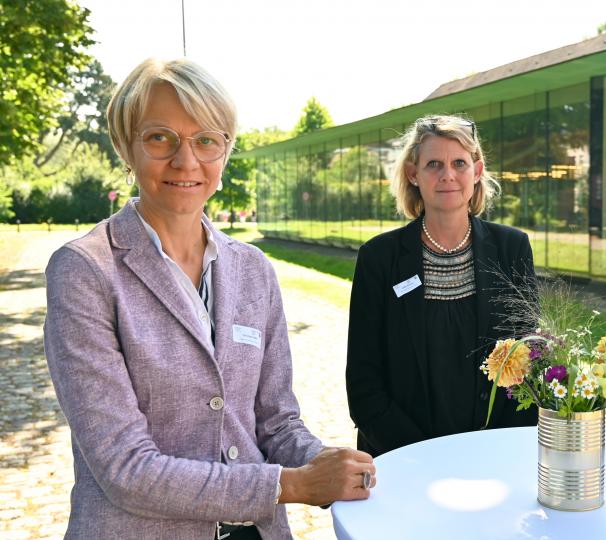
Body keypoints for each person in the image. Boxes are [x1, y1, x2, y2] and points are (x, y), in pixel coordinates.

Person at [43, 58, 375, 540]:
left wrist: (322, 463)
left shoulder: (254, 271)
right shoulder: (86, 270)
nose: (186, 161)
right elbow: (124, 467)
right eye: (160, 138)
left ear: (226, 150)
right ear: (125, 146)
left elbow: (275, 422)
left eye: (206, 140)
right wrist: (294, 483)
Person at [346, 115, 538, 458]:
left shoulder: (512, 249)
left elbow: (527, 365)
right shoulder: (379, 258)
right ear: (412, 174)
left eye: (459, 163)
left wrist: (494, 448)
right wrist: (421, 455)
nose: (447, 174)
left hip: (494, 455)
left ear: (476, 171)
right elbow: (364, 383)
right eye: (433, 164)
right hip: (404, 458)